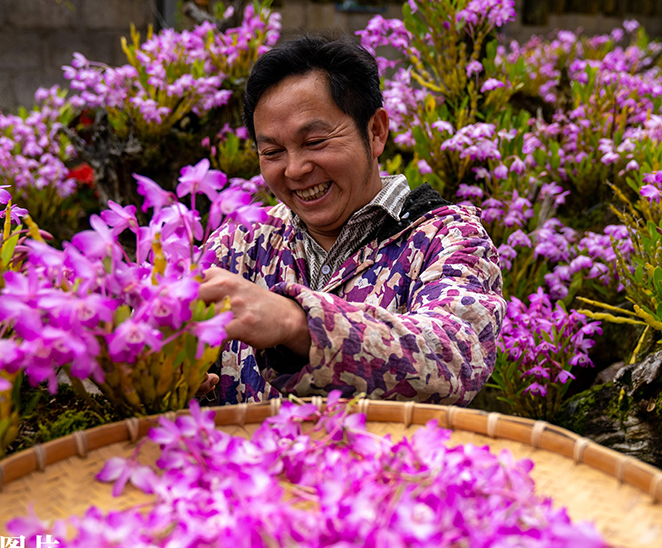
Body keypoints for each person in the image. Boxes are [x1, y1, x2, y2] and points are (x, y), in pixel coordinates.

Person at [198, 35, 505, 406]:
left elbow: (453, 357)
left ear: (375, 131)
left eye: (315, 142)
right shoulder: (239, 243)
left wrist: (296, 323)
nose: (295, 169)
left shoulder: (451, 238)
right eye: (273, 152)